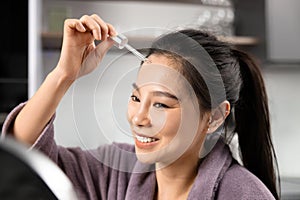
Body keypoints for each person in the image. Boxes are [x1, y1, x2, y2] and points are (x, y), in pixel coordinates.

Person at [1, 14, 280, 199]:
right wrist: (64, 74)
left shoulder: (243, 194)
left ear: (216, 116)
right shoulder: (117, 173)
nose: (139, 118)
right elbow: (27, 160)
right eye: (135, 98)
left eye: (160, 104)